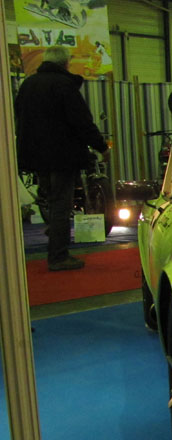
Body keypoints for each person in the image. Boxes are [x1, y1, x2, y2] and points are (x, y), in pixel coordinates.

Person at [15, 45, 109, 271]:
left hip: (35, 156)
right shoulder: (65, 86)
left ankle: (53, 231)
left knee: (48, 197)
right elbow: (82, 122)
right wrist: (101, 146)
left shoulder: (27, 84)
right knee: (61, 204)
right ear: (65, 63)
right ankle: (58, 256)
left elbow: (19, 116)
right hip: (61, 156)